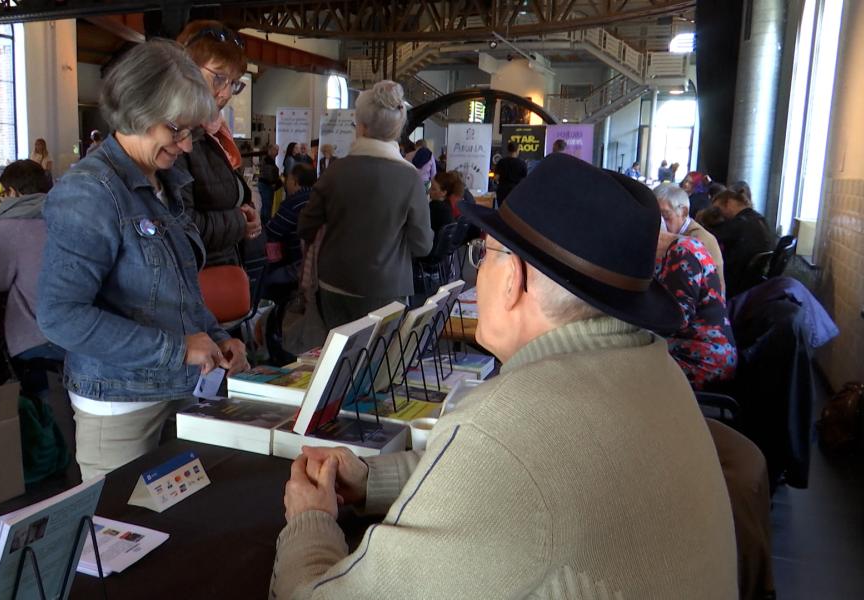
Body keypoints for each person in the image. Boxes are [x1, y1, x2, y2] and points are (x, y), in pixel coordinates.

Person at [272, 152, 737, 598]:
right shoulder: (650, 366)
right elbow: (514, 483)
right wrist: (372, 480)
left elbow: (511, 467)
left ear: (513, 277)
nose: (480, 273)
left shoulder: (510, 425)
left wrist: (311, 521)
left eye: (485, 254)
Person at [38, 40, 249, 480]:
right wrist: (177, 349)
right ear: (136, 112)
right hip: (121, 402)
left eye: (191, 131)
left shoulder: (166, 181)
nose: (187, 145)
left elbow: (178, 290)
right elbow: (61, 316)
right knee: (123, 537)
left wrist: (214, 335)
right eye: (176, 130)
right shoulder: (90, 192)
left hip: (177, 388)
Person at [298, 80, 432, 328]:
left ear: (360, 127)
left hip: (334, 284)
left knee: (336, 361)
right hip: (388, 289)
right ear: (397, 130)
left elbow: (306, 226)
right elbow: (422, 245)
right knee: (382, 363)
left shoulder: (335, 171)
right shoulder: (410, 178)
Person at [176, 20, 262, 267]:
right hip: (198, 278)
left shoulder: (211, 134)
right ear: (186, 69)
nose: (225, 93)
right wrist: (238, 222)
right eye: (219, 78)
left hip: (223, 266)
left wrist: (247, 211)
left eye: (233, 83)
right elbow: (179, 224)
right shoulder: (178, 139)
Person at [0, 160, 62, 400]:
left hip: (35, 338)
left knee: (47, 416)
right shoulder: (66, 214)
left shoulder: (11, 224)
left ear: (12, 192)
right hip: (75, 332)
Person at [655, 225, 737, 389]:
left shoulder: (682, 254)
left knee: (630, 368)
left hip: (705, 359)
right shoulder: (685, 246)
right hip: (704, 348)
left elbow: (676, 320)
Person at [654, 183, 725, 292]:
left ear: (684, 212)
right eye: (655, 215)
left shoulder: (700, 240)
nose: (660, 222)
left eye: (665, 215)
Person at [707, 189, 777, 296]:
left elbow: (709, 237)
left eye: (718, 209)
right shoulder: (759, 218)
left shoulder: (740, 223)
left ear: (729, 203)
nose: (719, 214)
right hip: (751, 279)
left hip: (735, 279)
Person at [264, 163, 316, 295]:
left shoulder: (293, 203)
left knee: (266, 280)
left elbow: (272, 231)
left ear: (295, 181)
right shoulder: (320, 199)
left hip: (299, 266)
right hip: (320, 266)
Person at [493, 140, 527, 207]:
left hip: (502, 191)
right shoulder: (522, 163)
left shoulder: (501, 162)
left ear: (508, 150)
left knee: (502, 211)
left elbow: (496, 177)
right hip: (515, 192)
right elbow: (525, 180)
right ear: (517, 150)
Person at [257, 143, 282, 224]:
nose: (277, 152)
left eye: (278, 150)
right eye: (275, 150)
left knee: (266, 204)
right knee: (266, 204)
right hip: (266, 185)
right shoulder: (268, 160)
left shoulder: (270, 160)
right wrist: (274, 182)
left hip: (265, 184)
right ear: (270, 150)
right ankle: (265, 223)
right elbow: (269, 174)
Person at [426, 171, 456, 238]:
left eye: (433, 189)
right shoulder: (447, 205)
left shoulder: (434, 208)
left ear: (444, 192)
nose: (429, 191)